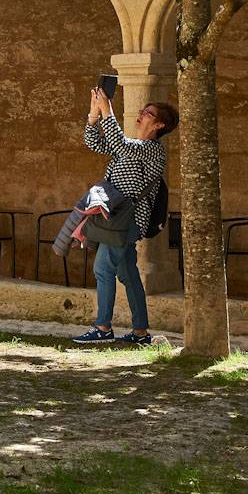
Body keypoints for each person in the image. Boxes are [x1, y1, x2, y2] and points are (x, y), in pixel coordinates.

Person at [72, 88, 178, 346]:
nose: (141, 114)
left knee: (102, 269)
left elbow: (119, 143)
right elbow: (94, 142)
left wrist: (108, 109)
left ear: (160, 124)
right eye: (143, 111)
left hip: (126, 222)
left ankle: (102, 327)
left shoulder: (152, 150)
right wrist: (94, 115)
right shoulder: (131, 147)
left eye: (148, 113)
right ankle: (140, 332)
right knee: (128, 274)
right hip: (116, 219)